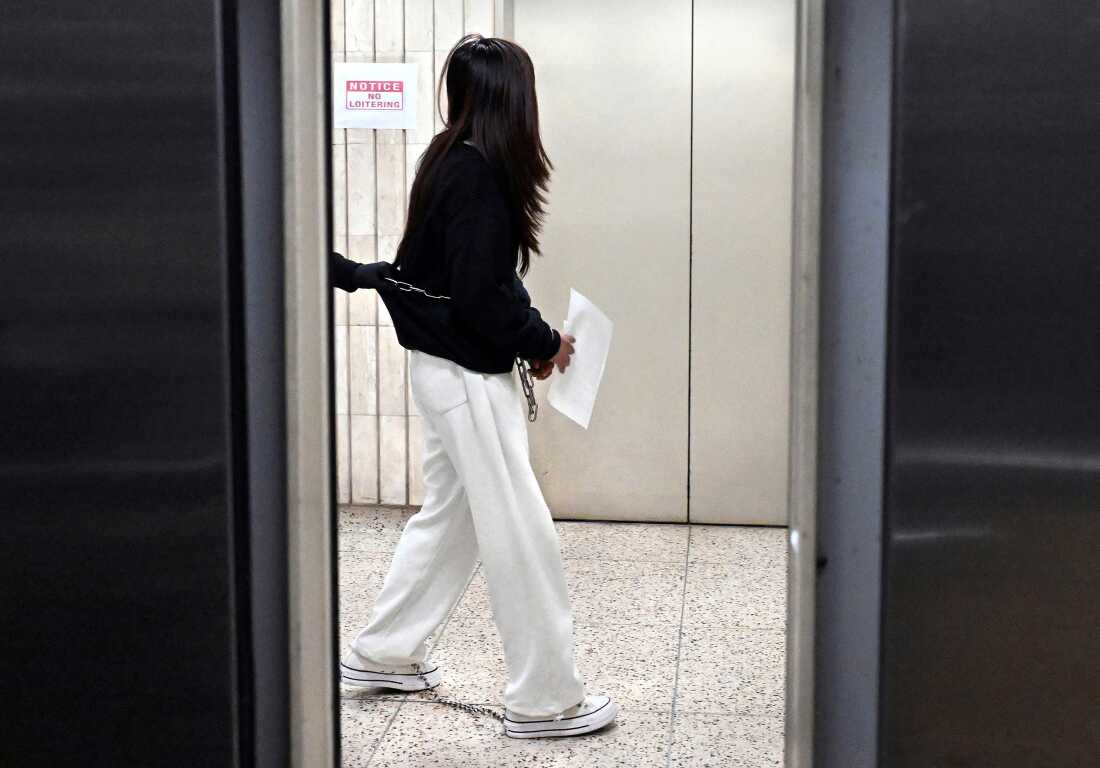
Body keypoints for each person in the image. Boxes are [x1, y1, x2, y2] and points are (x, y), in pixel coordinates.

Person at [331, 34, 619, 739]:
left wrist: (534, 335)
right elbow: (480, 297)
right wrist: (543, 342)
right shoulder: (481, 176)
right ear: (513, 100)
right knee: (520, 530)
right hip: (464, 376)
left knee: (452, 520)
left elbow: (479, 282)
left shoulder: (448, 159)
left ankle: (383, 653)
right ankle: (546, 699)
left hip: (441, 369)